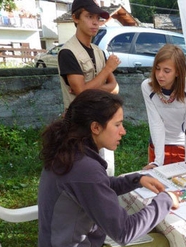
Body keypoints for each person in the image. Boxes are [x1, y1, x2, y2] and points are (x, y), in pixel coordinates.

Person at [37, 89, 179, 247]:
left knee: (150, 235)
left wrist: (136, 179)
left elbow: (96, 188)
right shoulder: (85, 169)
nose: (123, 131)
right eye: (118, 124)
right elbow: (124, 232)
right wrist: (165, 200)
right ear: (95, 127)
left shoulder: (68, 152)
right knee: (161, 246)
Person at [58, 0, 120, 176]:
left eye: (98, 18)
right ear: (75, 18)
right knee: (83, 173)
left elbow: (114, 88)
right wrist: (107, 70)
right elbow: (81, 93)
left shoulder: (99, 51)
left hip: (103, 120)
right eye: (89, 16)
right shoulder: (68, 52)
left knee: (106, 172)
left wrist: (87, 90)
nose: (95, 22)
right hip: (79, 126)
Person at [141, 44, 186, 170]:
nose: (160, 75)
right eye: (157, 69)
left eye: (166, 71)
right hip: (158, 144)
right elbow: (156, 122)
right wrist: (158, 161)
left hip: (182, 144)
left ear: (178, 72)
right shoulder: (147, 86)